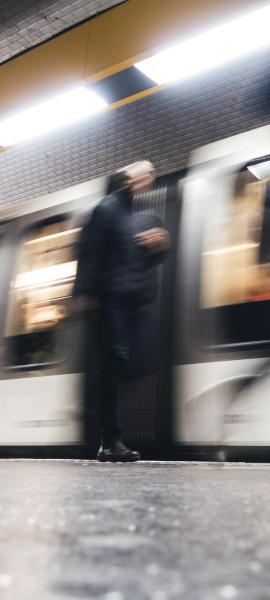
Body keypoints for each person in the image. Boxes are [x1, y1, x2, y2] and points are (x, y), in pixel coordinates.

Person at [74, 161, 169, 462]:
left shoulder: (142, 218)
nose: (146, 175)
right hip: (110, 300)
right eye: (140, 171)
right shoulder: (107, 209)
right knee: (117, 360)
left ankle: (95, 407)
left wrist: (158, 245)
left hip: (136, 304)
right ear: (124, 177)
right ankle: (110, 441)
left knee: (138, 361)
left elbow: (152, 258)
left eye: (150, 172)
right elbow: (89, 253)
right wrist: (85, 294)